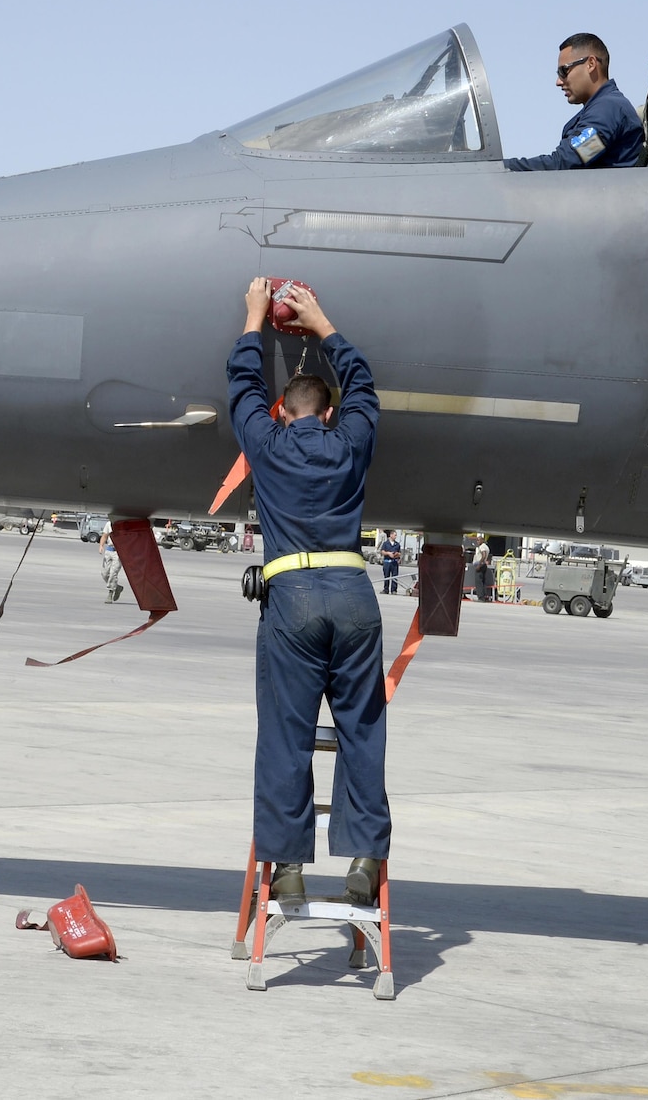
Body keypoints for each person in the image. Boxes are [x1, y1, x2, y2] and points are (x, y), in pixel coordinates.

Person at [228, 277, 388, 907]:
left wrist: (254, 317)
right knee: (362, 731)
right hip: (353, 593)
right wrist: (321, 322)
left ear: (282, 411)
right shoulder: (351, 442)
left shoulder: (265, 446)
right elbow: (365, 387)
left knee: (286, 734)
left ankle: (288, 867)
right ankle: (365, 859)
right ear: (328, 413)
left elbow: (242, 386)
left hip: (291, 595)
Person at [504, 33, 644, 171]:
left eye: (564, 70)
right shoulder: (603, 108)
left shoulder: (608, 109)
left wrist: (500, 168)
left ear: (591, 64)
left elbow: (566, 162)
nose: (558, 81)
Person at [98, 528, 124, 604]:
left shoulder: (124, 524)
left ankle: (110, 593)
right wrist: (101, 546)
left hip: (118, 552)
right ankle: (117, 587)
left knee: (113, 573)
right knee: (104, 573)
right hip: (109, 551)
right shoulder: (109, 524)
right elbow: (105, 535)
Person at [378, 529, 402, 595]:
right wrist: (388, 553)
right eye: (395, 535)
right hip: (387, 562)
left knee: (394, 576)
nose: (395, 536)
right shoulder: (386, 543)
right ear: (391, 535)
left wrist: (397, 554)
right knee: (387, 576)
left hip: (394, 562)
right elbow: (382, 551)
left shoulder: (397, 544)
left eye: (396, 535)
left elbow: (400, 553)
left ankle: (394, 590)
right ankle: (386, 589)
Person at [473, 537, 493, 603]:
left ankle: (481, 597)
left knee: (478, 582)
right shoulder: (486, 547)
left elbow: (483, 555)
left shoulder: (482, 547)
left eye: (478, 540)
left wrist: (479, 564)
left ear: (482, 540)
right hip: (484, 565)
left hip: (480, 565)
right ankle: (485, 596)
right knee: (483, 581)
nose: (477, 541)